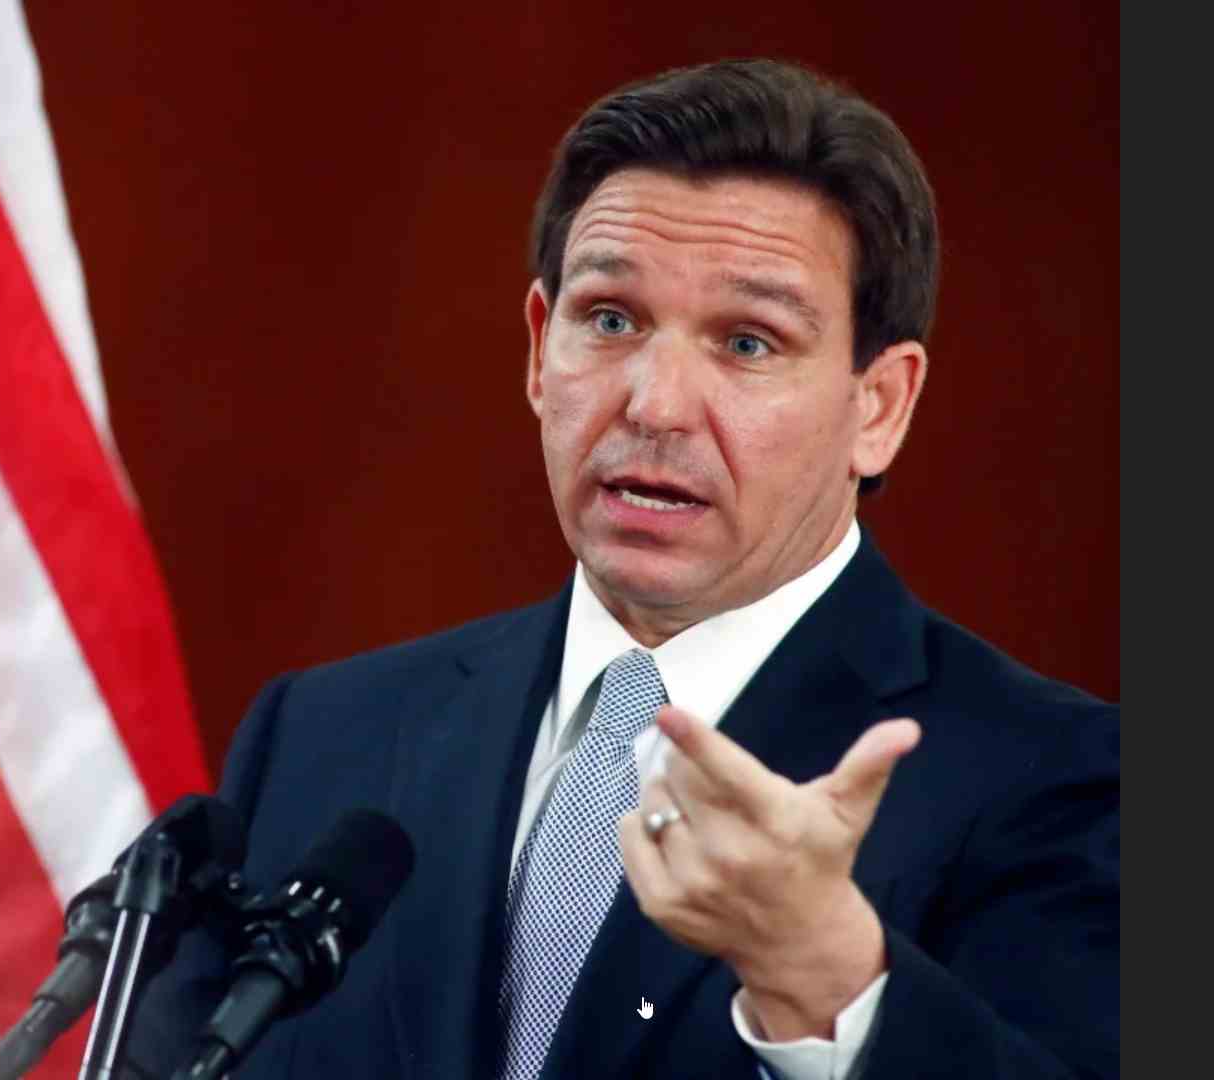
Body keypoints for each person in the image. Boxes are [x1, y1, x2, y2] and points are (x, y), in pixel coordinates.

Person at [120, 58, 1117, 1079]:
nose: (654, 403)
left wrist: (823, 974)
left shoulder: (1058, 777)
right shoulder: (322, 737)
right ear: (537, 346)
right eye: (610, 320)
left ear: (880, 406)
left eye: (748, 342)